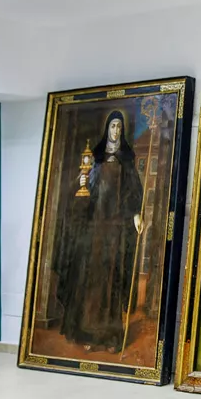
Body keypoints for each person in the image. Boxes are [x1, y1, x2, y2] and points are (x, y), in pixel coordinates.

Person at [55, 110, 144, 352]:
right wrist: (81, 185)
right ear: (107, 128)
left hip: (114, 228)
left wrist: (136, 214)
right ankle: (88, 334)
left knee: (110, 280)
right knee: (91, 279)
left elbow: (134, 191)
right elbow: (84, 191)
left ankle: (110, 336)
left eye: (119, 126)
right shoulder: (94, 157)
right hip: (95, 228)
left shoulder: (126, 158)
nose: (116, 130)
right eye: (113, 126)